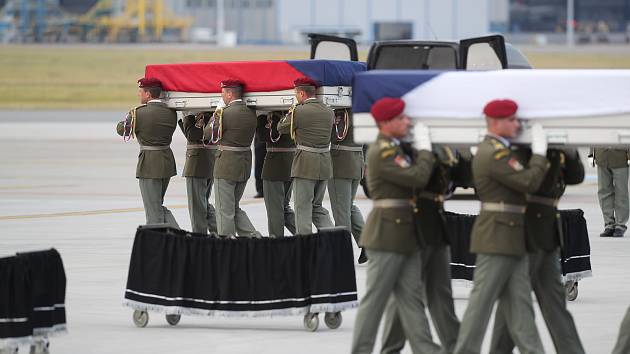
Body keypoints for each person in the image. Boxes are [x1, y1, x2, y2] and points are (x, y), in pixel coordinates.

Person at [453, 99, 549, 354]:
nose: (517, 124)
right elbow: (529, 181)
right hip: (496, 237)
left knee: (521, 309)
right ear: (495, 122)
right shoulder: (492, 152)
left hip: (511, 236)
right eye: (511, 120)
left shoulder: (500, 150)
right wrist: (540, 155)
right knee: (480, 308)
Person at [351, 97, 441, 354]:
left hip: (406, 234)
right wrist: (425, 150)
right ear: (386, 123)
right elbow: (418, 177)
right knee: (375, 302)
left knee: (412, 299)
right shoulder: (383, 151)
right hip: (386, 236)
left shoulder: (396, 148)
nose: (407, 121)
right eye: (401, 118)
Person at [489, 146, 585, 354]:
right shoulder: (522, 149)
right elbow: (536, 184)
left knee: (555, 307)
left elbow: (576, 177)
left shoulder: (551, 149)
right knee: (516, 302)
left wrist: (571, 153)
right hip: (527, 233)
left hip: (549, 234)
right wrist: (542, 152)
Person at [380, 144, 461, 354]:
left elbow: (462, 178)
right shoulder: (401, 147)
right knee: (407, 294)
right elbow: (417, 179)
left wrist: (464, 153)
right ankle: (391, 348)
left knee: (441, 293)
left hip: (436, 223)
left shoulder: (440, 146)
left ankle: (455, 347)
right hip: (412, 224)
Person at [116, 77, 179, 228]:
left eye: (140, 91)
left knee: (153, 210)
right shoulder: (171, 112)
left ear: (148, 94)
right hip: (167, 162)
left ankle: (161, 241)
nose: (139, 94)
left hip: (149, 164)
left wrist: (130, 116)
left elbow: (120, 129)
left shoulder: (139, 114)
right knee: (157, 205)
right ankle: (177, 235)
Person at [204, 80, 260, 237]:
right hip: (244, 165)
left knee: (224, 210)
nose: (221, 96)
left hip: (226, 166)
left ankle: (226, 243)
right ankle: (254, 237)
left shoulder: (224, 113)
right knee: (234, 207)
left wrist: (218, 110)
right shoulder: (251, 112)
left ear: (229, 93)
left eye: (223, 92)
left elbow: (208, 134)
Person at [277, 77, 334, 235]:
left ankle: (306, 247)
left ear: (301, 93)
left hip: (305, 164)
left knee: (302, 207)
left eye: (296, 93)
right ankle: (333, 240)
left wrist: (291, 111)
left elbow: (281, 128)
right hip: (324, 163)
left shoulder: (299, 111)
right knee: (317, 207)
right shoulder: (328, 110)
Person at [328, 108, 367, 263]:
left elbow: (335, 136)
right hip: (356, 162)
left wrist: (328, 124)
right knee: (348, 207)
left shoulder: (344, 114)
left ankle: (342, 253)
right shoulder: (363, 111)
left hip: (341, 165)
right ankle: (368, 243)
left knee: (341, 210)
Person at [258, 112, 297, 237]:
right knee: (284, 208)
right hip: (291, 163)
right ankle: (307, 236)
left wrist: (264, 119)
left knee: (275, 211)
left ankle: (276, 246)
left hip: (274, 167)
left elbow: (266, 136)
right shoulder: (295, 112)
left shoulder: (273, 117)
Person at [179, 111, 217, 234]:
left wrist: (188, 117)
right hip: (210, 161)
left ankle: (200, 235)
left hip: (196, 164)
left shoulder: (200, 116)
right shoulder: (216, 114)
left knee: (197, 206)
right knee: (203, 202)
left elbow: (192, 135)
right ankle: (219, 230)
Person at [592, 147, 630, 237]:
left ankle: (620, 224)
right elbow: (594, 134)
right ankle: (609, 224)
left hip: (621, 157)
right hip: (601, 155)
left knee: (621, 192)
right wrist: (591, 153)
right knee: (603, 191)